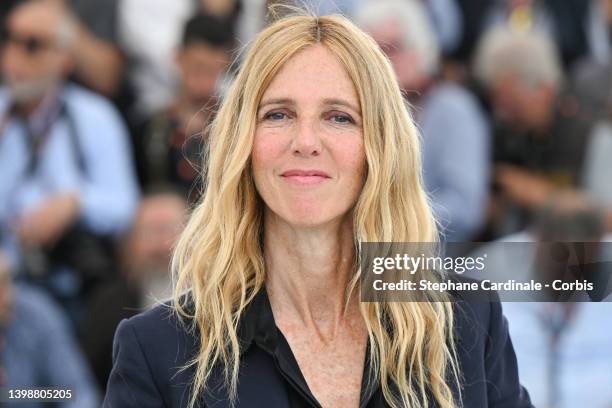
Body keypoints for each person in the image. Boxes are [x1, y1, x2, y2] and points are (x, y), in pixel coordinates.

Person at [104, 13, 532, 408]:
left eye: (339, 117)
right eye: (278, 114)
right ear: (242, 146)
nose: (306, 140)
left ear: (379, 148)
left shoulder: (468, 321)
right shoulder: (158, 349)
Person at [0, 0, 138, 309]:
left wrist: (75, 203)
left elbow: (124, 205)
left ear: (63, 58)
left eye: (32, 45)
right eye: (8, 39)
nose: (13, 56)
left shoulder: (94, 116)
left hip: (72, 283)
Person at [355, 0, 490, 242]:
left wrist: (389, 221)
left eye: (392, 48)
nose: (382, 63)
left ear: (420, 47)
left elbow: (466, 209)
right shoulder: (365, 112)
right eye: (371, 54)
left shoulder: (454, 110)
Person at [81, 190, 187, 389]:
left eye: (171, 230)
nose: (162, 245)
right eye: (151, 232)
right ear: (131, 243)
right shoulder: (107, 303)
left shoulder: (218, 298)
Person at [134, 14, 234, 200]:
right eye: (197, 68)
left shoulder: (235, 127)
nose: (204, 80)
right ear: (178, 58)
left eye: (212, 70)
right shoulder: (148, 129)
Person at [0, 251, 100, 408]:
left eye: (8, 281)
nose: (9, 298)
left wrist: (21, 394)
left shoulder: (35, 312)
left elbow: (74, 392)